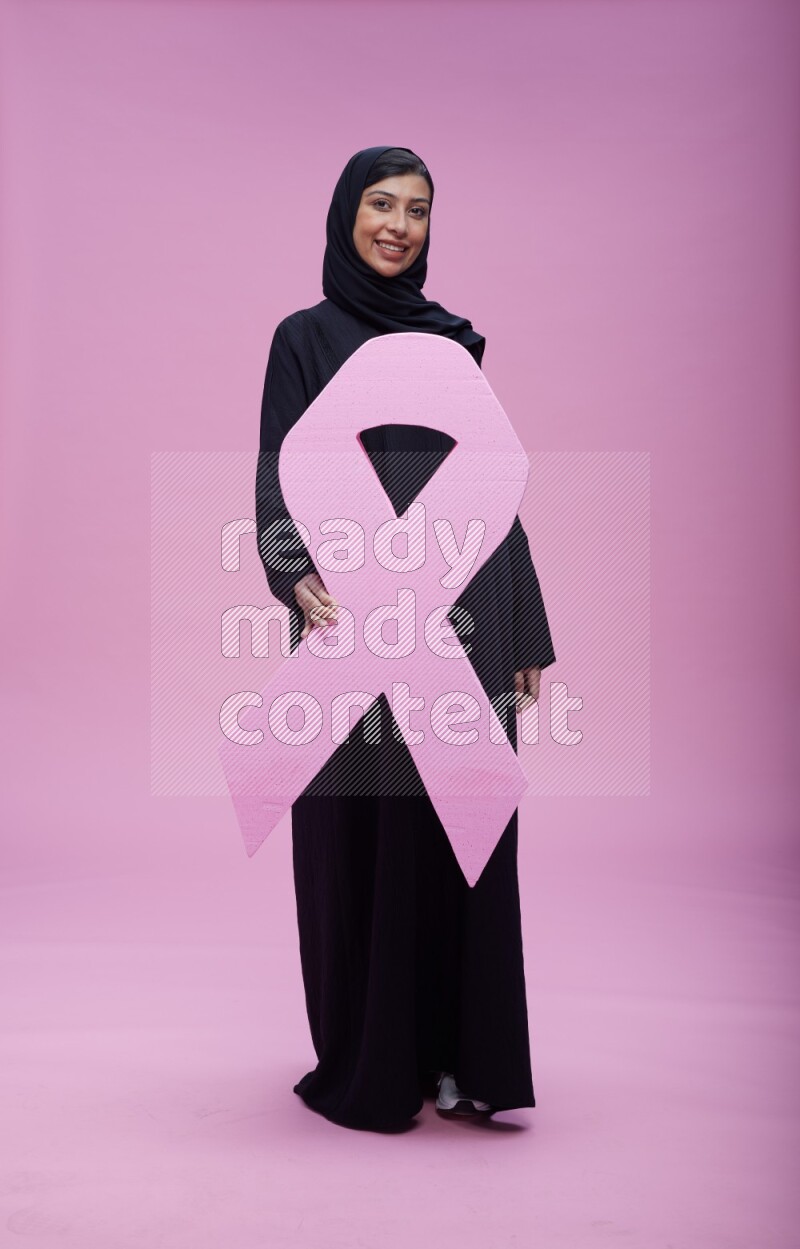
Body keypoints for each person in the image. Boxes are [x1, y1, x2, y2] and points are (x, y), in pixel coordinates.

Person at [255, 146, 556, 1132]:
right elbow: (279, 468)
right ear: (346, 213)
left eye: (417, 209)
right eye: (380, 204)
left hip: (464, 622)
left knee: (461, 841)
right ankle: (374, 1059)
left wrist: (525, 623)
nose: (398, 224)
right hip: (359, 623)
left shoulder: (452, 344)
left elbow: (492, 493)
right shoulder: (303, 337)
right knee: (363, 846)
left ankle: (465, 1064)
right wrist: (294, 574)